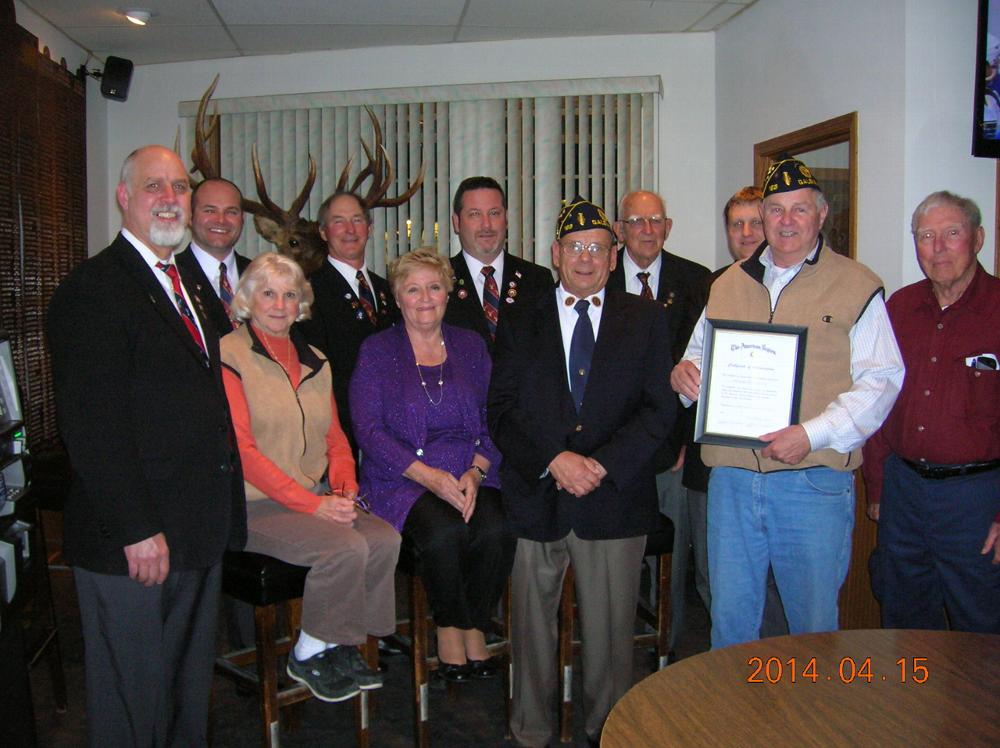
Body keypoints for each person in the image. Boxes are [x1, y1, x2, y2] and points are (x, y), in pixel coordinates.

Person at [47, 145, 247, 745]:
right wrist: (136, 527)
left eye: (179, 186)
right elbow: (91, 425)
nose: (169, 198)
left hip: (193, 528)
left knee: (184, 693)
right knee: (133, 704)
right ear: (124, 198)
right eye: (153, 186)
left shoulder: (187, 278)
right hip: (133, 541)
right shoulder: (93, 290)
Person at [671, 158, 905, 649]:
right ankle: (736, 723)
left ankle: (809, 725)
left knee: (811, 626)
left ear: (822, 214)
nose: (786, 221)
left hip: (812, 481)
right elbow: (697, 355)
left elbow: (881, 381)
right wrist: (684, 376)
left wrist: (811, 434)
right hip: (732, 481)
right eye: (775, 210)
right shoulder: (728, 282)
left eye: (799, 209)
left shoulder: (857, 285)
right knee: (730, 622)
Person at [489, 196, 675, 747]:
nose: (586, 258)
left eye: (597, 247)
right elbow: (501, 409)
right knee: (529, 633)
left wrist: (600, 464)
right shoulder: (520, 318)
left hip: (613, 499)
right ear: (555, 253)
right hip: (536, 496)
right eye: (575, 247)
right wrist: (554, 458)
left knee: (612, 637)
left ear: (615, 256)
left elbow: (659, 409)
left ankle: (607, 730)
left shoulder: (646, 319)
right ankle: (530, 731)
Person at [220, 252, 400, 701]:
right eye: (268, 293)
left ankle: (342, 640)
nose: (279, 304)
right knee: (344, 548)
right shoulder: (229, 354)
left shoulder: (316, 358)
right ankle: (307, 652)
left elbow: (336, 439)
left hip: (314, 493)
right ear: (248, 299)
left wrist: (343, 491)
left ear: (301, 302)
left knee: (384, 539)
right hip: (253, 503)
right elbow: (242, 452)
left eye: (289, 294)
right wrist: (314, 505)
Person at [351, 247, 514, 682]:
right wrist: (427, 477)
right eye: (413, 289)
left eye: (434, 287)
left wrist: (477, 472)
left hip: (469, 471)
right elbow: (368, 430)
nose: (425, 298)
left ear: (449, 293)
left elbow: (492, 417)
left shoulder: (471, 345)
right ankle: (450, 630)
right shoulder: (377, 350)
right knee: (444, 532)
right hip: (402, 478)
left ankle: (473, 623)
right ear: (398, 297)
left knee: (498, 528)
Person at [862, 190, 1000, 633]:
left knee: (982, 627)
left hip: (977, 500)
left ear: (977, 238)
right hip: (904, 494)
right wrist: (878, 487)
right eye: (926, 236)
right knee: (903, 622)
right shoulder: (898, 309)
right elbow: (878, 402)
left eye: (951, 233)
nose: (937, 247)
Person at [681, 186, 789, 639]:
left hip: (784, 463)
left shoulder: (799, 285)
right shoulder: (711, 286)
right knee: (717, 583)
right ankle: (735, 686)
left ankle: (776, 684)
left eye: (754, 222)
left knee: (777, 589)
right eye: (736, 224)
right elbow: (690, 359)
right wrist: (682, 375)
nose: (746, 233)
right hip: (719, 462)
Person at [609, 189, 710, 656]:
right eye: (635, 221)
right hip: (611, 452)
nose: (646, 230)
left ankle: (666, 653)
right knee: (617, 562)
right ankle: (615, 648)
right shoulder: (596, 278)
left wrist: (687, 443)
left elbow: (705, 372)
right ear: (619, 229)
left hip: (673, 450)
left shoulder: (698, 282)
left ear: (668, 227)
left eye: (655, 221)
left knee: (671, 560)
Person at [298, 191, 400, 452]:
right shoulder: (309, 291)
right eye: (338, 221)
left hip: (392, 427)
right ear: (323, 232)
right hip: (339, 431)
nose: (350, 229)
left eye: (357, 219)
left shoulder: (387, 289)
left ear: (370, 228)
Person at [444, 176, 553, 353]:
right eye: (475, 214)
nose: (486, 225)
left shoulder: (537, 280)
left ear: (506, 218)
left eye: (494, 213)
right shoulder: (439, 281)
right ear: (457, 222)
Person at [176, 177, 251, 337]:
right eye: (210, 211)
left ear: (242, 219)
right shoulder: (172, 276)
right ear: (190, 216)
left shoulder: (260, 275)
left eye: (231, 212)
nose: (221, 220)